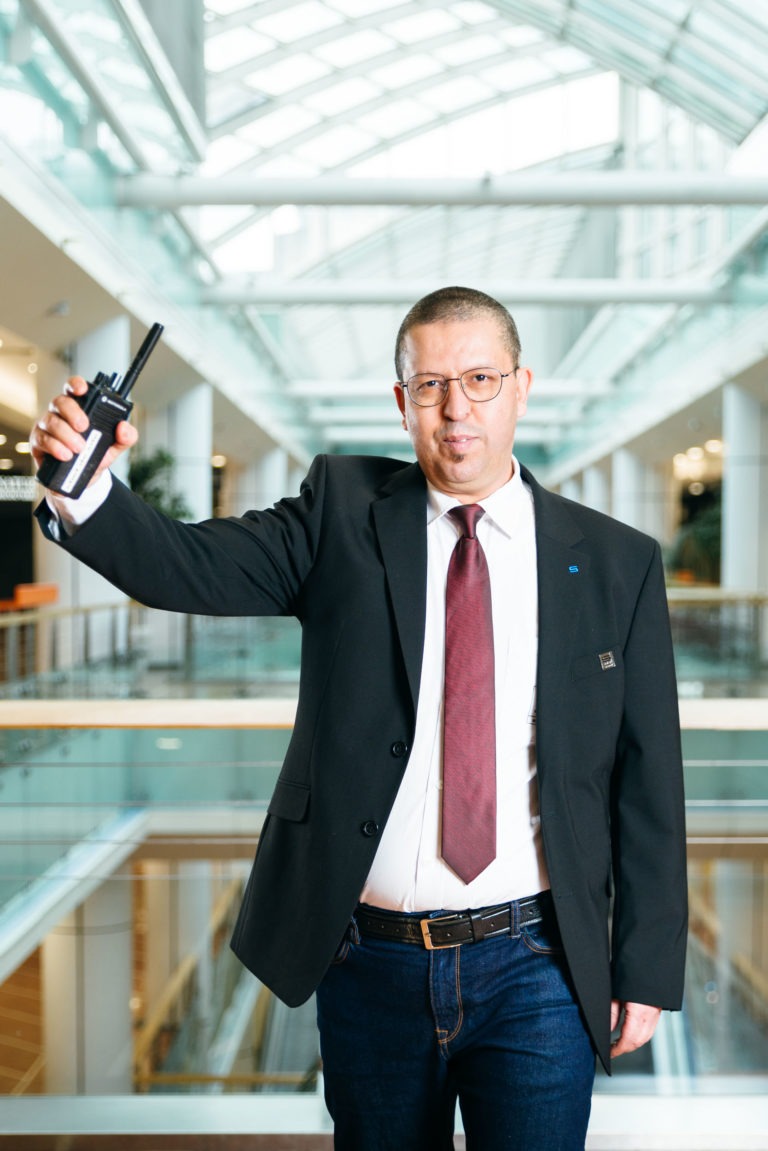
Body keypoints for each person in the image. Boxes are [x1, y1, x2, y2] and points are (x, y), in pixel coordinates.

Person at [31, 287, 687, 1150]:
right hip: (369, 960)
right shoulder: (342, 512)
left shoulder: (613, 560)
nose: (457, 409)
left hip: (539, 964)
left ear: (522, 386)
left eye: (481, 379)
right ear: (402, 401)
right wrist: (85, 489)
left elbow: (649, 778)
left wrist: (643, 964)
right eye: (430, 386)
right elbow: (185, 566)